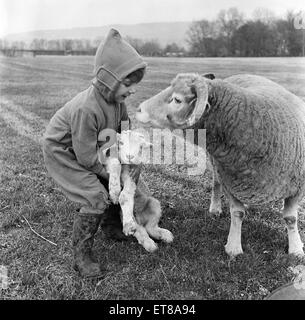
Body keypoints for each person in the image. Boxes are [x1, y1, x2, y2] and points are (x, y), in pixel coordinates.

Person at [42, 29, 148, 278]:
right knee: (95, 194)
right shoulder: (85, 109)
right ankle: (82, 257)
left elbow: (122, 134)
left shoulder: (118, 103)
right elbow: (87, 158)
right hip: (64, 153)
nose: (132, 90)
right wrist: (111, 174)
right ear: (108, 79)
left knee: (119, 177)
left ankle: (112, 225)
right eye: (128, 83)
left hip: (91, 149)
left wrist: (125, 163)